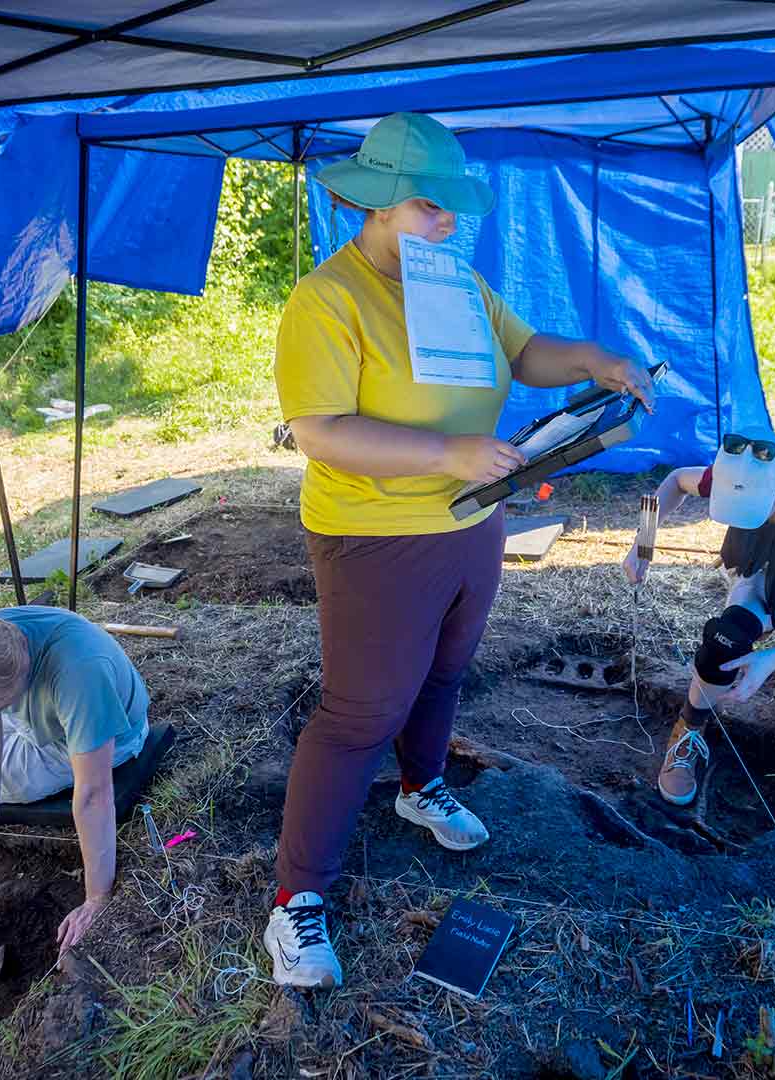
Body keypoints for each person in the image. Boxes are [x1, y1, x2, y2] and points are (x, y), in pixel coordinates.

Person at [267, 111, 656, 988]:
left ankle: (421, 786)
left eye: (452, 209)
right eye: (427, 207)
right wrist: (448, 452)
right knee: (360, 712)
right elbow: (321, 431)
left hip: (474, 517)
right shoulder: (325, 301)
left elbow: (524, 352)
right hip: (372, 534)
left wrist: (595, 360)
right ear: (374, 208)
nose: (447, 222)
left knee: (444, 676)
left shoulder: (454, 281)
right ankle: (295, 902)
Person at [623, 425, 775, 807]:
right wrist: (643, 543)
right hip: (766, 580)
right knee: (727, 636)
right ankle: (689, 730)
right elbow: (674, 481)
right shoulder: (731, 475)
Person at [0, 607, 151, 953]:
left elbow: (94, 795)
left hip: (87, 740)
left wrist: (97, 898)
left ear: (14, 680)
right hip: (31, 712)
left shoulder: (78, 672)